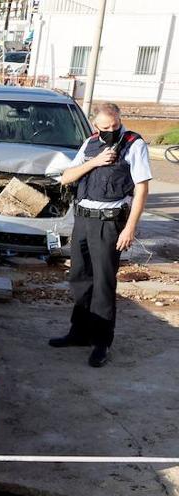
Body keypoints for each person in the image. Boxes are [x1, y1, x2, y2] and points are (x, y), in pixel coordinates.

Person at [50, 102, 151, 368]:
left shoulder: (134, 144)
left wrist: (130, 227)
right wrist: (94, 161)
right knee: (80, 279)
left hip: (109, 224)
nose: (110, 131)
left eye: (115, 126)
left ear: (120, 120)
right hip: (83, 220)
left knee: (103, 283)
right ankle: (79, 333)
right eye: (105, 127)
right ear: (95, 125)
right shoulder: (90, 144)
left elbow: (141, 190)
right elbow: (66, 178)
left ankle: (101, 342)